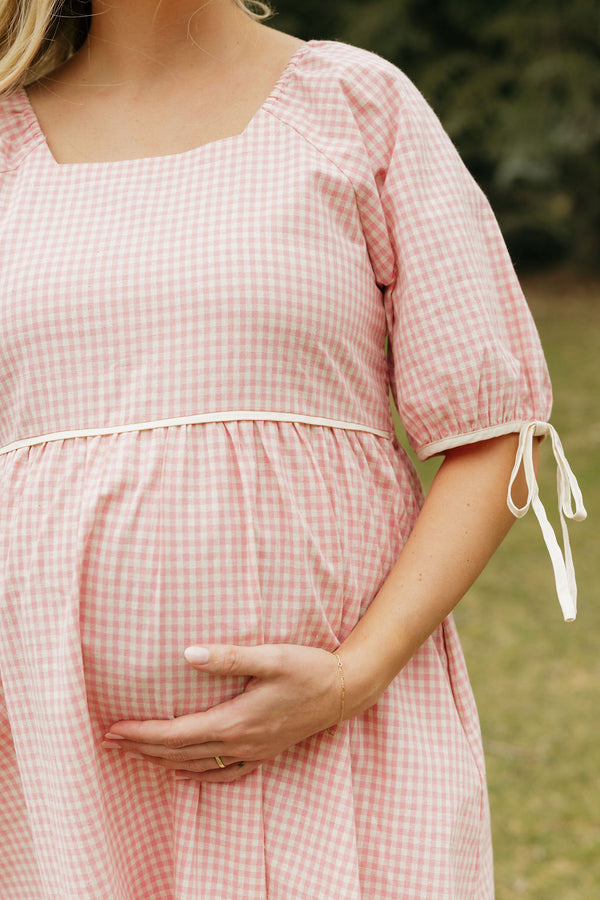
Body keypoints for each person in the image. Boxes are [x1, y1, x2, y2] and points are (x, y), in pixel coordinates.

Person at [0, 1, 586, 897]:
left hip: (332, 746)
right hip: (50, 762)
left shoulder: (355, 104)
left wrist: (353, 677)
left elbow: (497, 436)